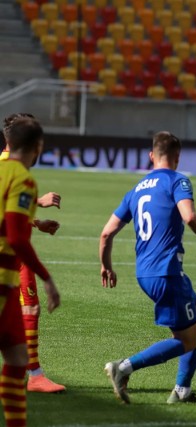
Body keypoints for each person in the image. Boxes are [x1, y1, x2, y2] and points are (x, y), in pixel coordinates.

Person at [99, 131, 196, 404]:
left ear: (150, 156)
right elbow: (189, 216)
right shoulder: (178, 181)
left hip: (148, 272)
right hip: (166, 272)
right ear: (177, 157)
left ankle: (182, 391)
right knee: (186, 340)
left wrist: (106, 266)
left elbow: (106, 234)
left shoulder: (135, 190)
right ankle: (123, 367)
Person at [0, 115, 60, 427]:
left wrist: (35, 220)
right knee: (30, 310)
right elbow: (14, 234)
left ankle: (33, 376)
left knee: (15, 355)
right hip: (4, 271)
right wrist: (48, 277)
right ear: (37, 146)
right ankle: (34, 377)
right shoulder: (22, 177)